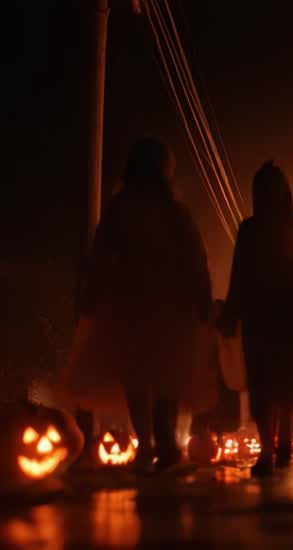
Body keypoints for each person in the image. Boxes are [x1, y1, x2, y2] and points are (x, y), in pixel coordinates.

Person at [81, 138, 213, 473]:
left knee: (139, 374)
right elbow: (196, 258)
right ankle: (160, 439)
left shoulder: (125, 207)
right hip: (163, 301)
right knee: (162, 371)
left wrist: (93, 293)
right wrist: (202, 296)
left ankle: (151, 441)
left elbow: (100, 255)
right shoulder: (171, 210)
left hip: (135, 299)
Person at [221, 161, 293, 477]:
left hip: (288, 314)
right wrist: (231, 311)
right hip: (260, 316)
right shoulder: (250, 229)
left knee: (283, 383)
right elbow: (239, 275)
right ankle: (269, 449)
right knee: (262, 385)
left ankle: (281, 439)